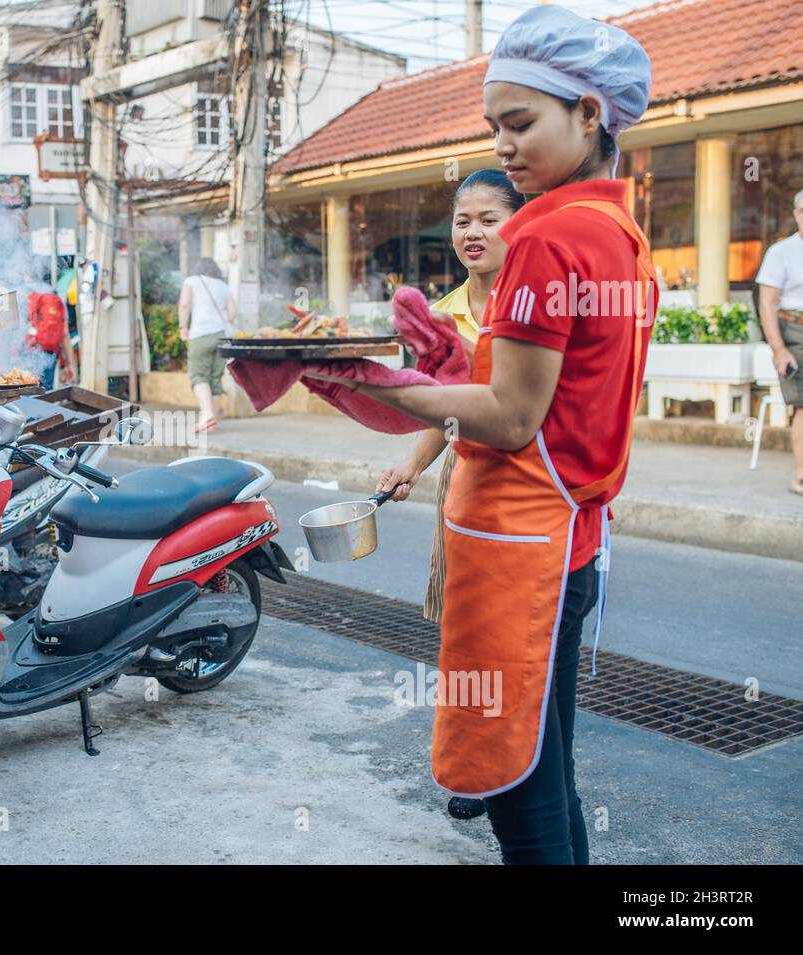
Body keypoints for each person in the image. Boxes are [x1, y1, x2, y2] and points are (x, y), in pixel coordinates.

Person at [309, 5, 653, 864]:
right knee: (549, 763)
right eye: (493, 126)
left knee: (515, 784)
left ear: (589, 112)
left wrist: (383, 384)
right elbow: (560, 388)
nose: (502, 145)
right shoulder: (620, 232)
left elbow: (511, 416)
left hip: (519, 546)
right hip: (569, 537)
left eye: (521, 123)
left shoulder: (545, 236)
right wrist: (447, 361)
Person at [377, 167, 526, 822]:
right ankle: (473, 765)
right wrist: (409, 464)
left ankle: (522, 759)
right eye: (463, 220)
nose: (473, 231)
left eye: (488, 218)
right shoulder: (443, 316)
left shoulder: (533, 305)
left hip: (525, 493)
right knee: (465, 635)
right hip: (462, 488)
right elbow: (447, 416)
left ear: (518, 222)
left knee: (519, 635)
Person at [754, 189, 803, 495]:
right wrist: (778, 349)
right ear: (798, 214)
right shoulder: (781, 252)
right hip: (794, 331)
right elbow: (767, 304)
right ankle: (802, 475)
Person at [179, 256, 236, 433]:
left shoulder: (192, 281)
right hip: (221, 335)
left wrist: (182, 326)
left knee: (199, 375)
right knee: (215, 378)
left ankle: (206, 415)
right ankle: (211, 421)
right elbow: (233, 314)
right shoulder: (223, 286)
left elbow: (184, 304)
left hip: (200, 334)